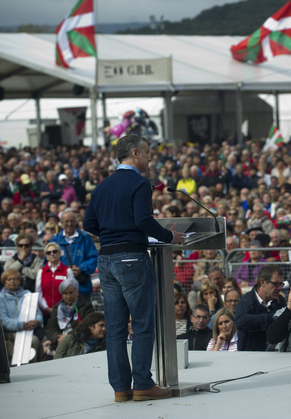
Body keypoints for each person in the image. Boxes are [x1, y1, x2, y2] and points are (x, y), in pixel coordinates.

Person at [83, 135, 187, 402]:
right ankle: (142, 384)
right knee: (141, 325)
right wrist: (169, 237)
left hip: (105, 260)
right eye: (148, 152)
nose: (151, 157)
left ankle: (120, 389)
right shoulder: (140, 183)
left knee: (116, 328)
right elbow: (143, 219)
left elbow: (89, 224)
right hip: (132, 259)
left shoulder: (102, 186)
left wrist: (112, 233)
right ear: (134, 153)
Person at [0, 268, 43, 363]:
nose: (13, 281)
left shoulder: (27, 294)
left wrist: (37, 321)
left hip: (30, 329)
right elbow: (3, 320)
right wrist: (22, 325)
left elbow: (38, 313)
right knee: (33, 341)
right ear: (4, 282)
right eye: (9, 279)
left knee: (43, 340)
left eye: (16, 279)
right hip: (10, 331)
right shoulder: (0, 298)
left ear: (20, 281)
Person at [234, 264, 287, 351]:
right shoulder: (247, 301)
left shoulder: (280, 301)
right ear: (262, 282)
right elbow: (240, 321)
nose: (279, 288)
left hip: (275, 355)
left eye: (281, 284)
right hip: (251, 356)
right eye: (275, 284)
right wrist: (272, 317)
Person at [52, 210, 99, 298]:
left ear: (76, 222)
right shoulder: (56, 239)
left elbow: (94, 258)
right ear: (61, 223)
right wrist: (65, 270)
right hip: (62, 287)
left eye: (72, 221)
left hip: (82, 287)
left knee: (83, 311)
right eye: (66, 221)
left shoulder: (85, 237)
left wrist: (81, 268)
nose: (69, 224)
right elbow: (49, 260)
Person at [44, 277, 94, 351]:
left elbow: (85, 327)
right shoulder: (57, 308)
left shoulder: (86, 306)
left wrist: (68, 337)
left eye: (71, 293)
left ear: (77, 292)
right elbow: (50, 328)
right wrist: (58, 338)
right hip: (59, 341)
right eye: (65, 293)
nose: (68, 296)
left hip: (78, 340)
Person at [35, 241, 75, 317]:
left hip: (64, 312)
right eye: (48, 252)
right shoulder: (41, 272)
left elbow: (72, 291)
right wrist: (46, 308)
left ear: (60, 253)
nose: (52, 254)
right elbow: (38, 292)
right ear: (46, 256)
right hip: (45, 313)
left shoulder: (67, 270)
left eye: (55, 251)